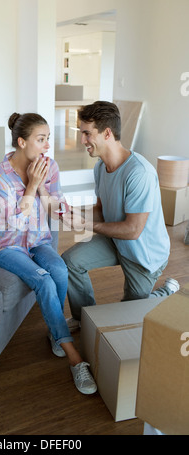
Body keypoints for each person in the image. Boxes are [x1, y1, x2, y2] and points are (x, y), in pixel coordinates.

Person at [0, 112, 97, 394]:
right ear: (22, 142)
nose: (47, 145)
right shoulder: (1, 174)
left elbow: (55, 203)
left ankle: (54, 331)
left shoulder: (49, 166)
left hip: (39, 241)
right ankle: (75, 358)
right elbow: (12, 222)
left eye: (48, 138)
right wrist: (33, 185)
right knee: (45, 280)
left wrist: (70, 215)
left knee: (59, 269)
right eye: (41, 139)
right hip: (7, 246)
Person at [61, 101, 180, 328]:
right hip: (117, 242)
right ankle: (83, 318)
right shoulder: (100, 167)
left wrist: (85, 224)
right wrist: (72, 212)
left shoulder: (139, 173)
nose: (82, 140)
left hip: (144, 256)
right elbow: (101, 210)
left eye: (87, 133)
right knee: (70, 262)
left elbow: (133, 230)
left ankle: (164, 293)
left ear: (107, 133)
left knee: (130, 316)